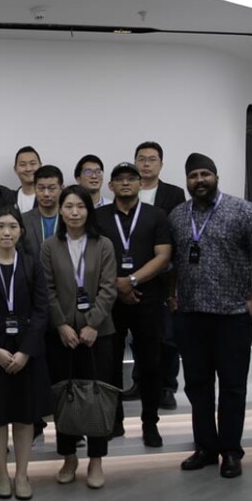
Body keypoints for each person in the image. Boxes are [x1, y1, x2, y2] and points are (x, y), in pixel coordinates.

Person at [169, 153, 252, 479]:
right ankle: (205, 448)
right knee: (197, 387)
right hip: (190, 316)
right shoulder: (177, 216)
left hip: (232, 316)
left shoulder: (242, 210)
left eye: (205, 174)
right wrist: (173, 297)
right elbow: (172, 261)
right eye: (193, 176)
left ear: (215, 176)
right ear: (187, 181)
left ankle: (230, 451)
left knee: (232, 387)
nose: (199, 180)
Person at [0, 207, 51, 500]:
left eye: (13, 226)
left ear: (20, 231)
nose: (6, 232)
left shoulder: (32, 264)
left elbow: (42, 310)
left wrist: (26, 351)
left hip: (26, 351)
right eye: (1, 226)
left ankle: (22, 474)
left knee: (25, 416)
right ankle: (1, 474)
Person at [40, 185, 117, 489]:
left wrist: (93, 324)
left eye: (80, 207)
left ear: (89, 210)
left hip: (99, 334)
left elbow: (109, 288)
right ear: (60, 211)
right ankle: (69, 457)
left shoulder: (104, 244)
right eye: (69, 206)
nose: (74, 213)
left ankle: (96, 460)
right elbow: (46, 290)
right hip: (63, 336)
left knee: (97, 398)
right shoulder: (50, 246)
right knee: (65, 397)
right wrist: (61, 324)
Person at [94, 163, 172, 447]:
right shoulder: (98, 216)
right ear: (111, 186)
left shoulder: (156, 215)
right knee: (109, 363)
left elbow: (163, 256)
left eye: (131, 178)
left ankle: (150, 423)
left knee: (151, 364)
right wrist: (117, 284)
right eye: (119, 179)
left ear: (141, 184)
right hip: (109, 300)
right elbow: (91, 256)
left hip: (147, 298)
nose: (125, 183)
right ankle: (114, 422)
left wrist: (132, 280)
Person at [125, 140, 186, 409]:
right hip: (132, 274)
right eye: (141, 159)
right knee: (138, 335)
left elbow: (179, 235)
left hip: (164, 275)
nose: (146, 163)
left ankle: (167, 387)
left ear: (161, 164)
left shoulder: (173, 194)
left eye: (152, 159)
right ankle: (141, 382)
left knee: (167, 336)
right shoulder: (128, 191)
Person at [21, 165, 64, 258]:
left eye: (51, 188)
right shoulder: (23, 220)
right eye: (41, 188)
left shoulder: (70, 218)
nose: (46, 194)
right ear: (34, 188)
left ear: (62, 188)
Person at [13, 146, 42, 213]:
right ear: (15, 169)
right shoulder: (9, 199)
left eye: (33, 163)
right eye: (22, 164)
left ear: (40, 166)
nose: (28, 169)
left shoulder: (49, 198)